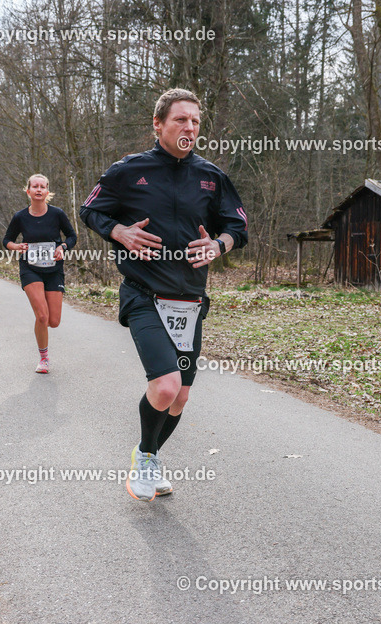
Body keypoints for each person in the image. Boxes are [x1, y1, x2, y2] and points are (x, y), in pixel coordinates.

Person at [79, 88, 248, 502]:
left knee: (180, 397)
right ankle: (146, 458)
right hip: (143, 294)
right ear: (158, 125)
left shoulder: (211, 176)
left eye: (194, 121)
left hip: (189, 301)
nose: (189, 127)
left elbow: (238, 226)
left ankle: (147, 454)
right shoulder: (128, 171)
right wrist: (118, 231)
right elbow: (90, 210)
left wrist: (219, 245)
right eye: (180, 120)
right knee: (167, 385)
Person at [3, 174, 77, 373]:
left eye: (42, 187)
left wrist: (62, 247)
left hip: (54, 270)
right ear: (28, 191)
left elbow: (72, 236)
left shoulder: (57, 214)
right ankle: (43, 358)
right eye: (34, 186)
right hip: (30, 268)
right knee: (42, 316)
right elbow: (7, 240)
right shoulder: (20, 216)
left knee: (54, 321)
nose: (38, 189)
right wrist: (16, 246)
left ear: (47, 192)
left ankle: (42, 331)